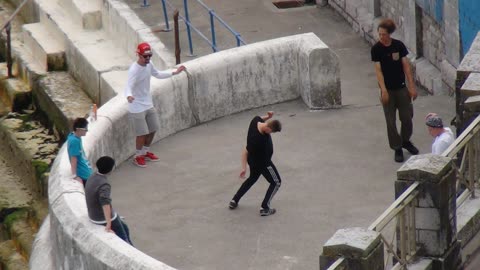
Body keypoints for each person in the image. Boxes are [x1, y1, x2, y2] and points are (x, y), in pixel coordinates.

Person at [125, 42, 186, 168]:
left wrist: (174, 72)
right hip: (136, 106)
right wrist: (129, 96)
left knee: (153, 128)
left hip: (147, 103)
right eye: (145, 56)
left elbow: (157, 74)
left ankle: (145, 152)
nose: (147, 59)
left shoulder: (149, 64)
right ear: (139, 55)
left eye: (149, 56)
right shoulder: (134, 70)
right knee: (141, 133)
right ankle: (138, 156)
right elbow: (128, 86)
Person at [371, 18, 419, 162]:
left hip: (401, 88)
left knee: (407, 117)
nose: (381, 37)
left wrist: (411, 86)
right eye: (379, 34)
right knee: (390, 122)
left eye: (383, 34)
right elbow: (378, 71)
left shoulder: (398, 46)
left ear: (389, 34)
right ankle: (397, 147)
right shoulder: (376, 49)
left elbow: (406, 66)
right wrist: (383, 90)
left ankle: (405, 140)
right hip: (388, 91)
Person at [229, 111, 282, 216]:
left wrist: (268, 116)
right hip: (263, 163)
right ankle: (265, 207)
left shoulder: (255, 121)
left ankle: (234, 200)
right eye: (271, 132)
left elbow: (261, 118)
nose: (270, 134)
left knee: (252, 179)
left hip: (253, 161)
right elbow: (245, 151)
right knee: (276, 182)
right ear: (268, 129)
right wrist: (243, 168)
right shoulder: (256, 141)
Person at [85, 156, 133, 245]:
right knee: (124, 238)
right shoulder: (104, 184)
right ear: (110, 169)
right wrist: (109, 223)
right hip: (101, 218)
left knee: (125, 228)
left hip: (93, 214)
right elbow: (105, 203)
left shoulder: (92, 176)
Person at [67, 117, 92, 185]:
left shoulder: (76, 137)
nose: (87, 130)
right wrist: (74, 176)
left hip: (86, 173)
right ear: (78, 130)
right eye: (85, 129)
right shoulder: (74, 141)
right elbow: (73, 158)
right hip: (83, 175)